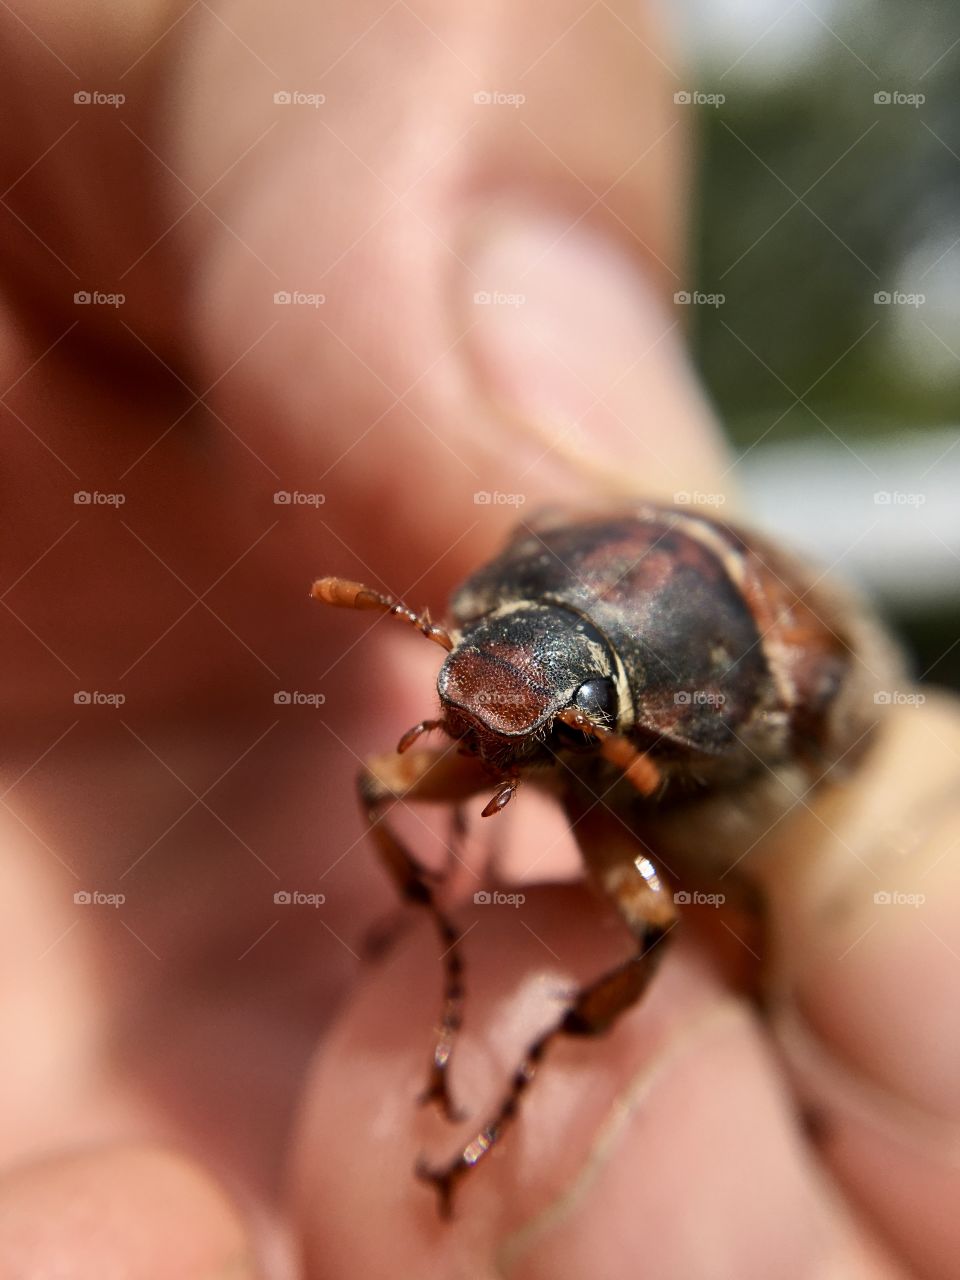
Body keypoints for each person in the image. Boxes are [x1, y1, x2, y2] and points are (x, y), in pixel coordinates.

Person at [0, 2, 956, 1275]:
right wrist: (436, 909)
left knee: (675, 925)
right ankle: (456, 947)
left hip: (764, 732)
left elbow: (699, 795)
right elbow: (390, 763)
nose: (470, 725)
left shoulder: (692, 703)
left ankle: (597, 1052)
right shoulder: (516, 586)